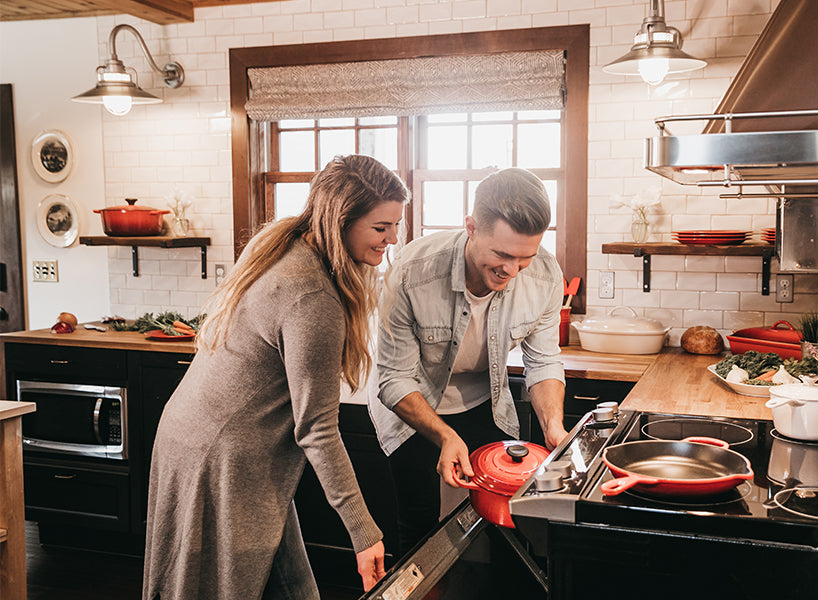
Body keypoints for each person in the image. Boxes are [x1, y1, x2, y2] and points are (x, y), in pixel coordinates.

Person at [143, 155, 409, 600]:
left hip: (198, 438)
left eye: (395, 225)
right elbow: (318, 431)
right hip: (223, 458)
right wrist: (365, 534)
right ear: (341, 218)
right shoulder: (312, 296)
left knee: (291, 587)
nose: (392, 239)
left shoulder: (284, 243)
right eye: (381, 227)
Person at [370, 167, 569, 552]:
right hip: (413, 405)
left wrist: (554, 425)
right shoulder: (412, 272)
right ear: (471, 227)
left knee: (504, 523)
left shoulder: (545, 275)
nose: (511, 271)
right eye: (502, 254)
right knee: (420, 525)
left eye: (524, 258)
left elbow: (543, 361)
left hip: (486, 403)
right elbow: (394, 377)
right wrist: (445, 435)